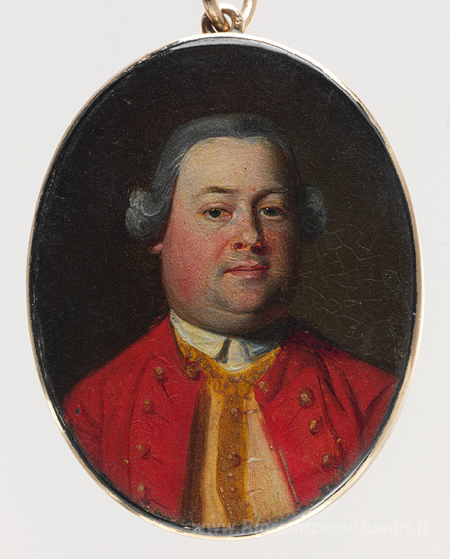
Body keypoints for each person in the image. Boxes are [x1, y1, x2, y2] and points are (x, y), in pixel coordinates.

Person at [63, 113, 396, 532]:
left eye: (272, 210)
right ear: (159, 230)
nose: (251, 236)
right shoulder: (96, 409)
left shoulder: (372, 400)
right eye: (217, 212)